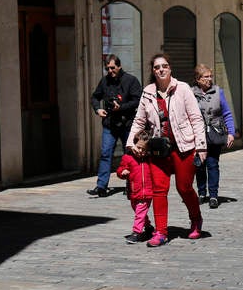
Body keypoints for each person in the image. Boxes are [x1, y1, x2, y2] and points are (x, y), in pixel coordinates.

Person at [127, 53, 207, 247]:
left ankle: (196, 219)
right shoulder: (148, 92)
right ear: (153, 72)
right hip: (158, 150)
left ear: (170, 68)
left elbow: (196, 118)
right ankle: (161, 232)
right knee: (158, 191)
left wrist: (201, 146)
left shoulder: (183, 89)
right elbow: (139, 120)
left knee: (184, 187)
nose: (161, 69)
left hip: (184, 147)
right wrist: (130, 143)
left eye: (164, 66)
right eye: (156, 67)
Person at [88, 54, 142, 197]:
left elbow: (138, 101)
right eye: (107, 69)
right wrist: (97, 109)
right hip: (110, 124)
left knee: (129, 155)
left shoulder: (131, 81)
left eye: (112, 68)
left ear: (119, 66)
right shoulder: (104, 81)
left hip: (127, 124)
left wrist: (121, 107)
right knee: (105, 154)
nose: (110, 71)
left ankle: (130, 185)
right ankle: (101, 187)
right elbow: (95, 96)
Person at [193, 64, 236, 209]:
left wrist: (231, 133)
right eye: (206, 77)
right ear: (198, 79)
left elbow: (227, 113)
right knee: (199, 165)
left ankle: (213, 195)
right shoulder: (190, 93)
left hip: (215, 134)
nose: (209, 79)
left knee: (212, 164)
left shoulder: (218, 92)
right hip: (197, 135)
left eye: (210, 76)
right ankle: (201, 192)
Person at [116, 130, 155, 244]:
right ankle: (148, 227)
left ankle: (136, 232)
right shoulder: (128, 157)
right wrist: (122, 172)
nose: (141, 151)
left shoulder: (150, 159)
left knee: (140, 211)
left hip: (147, 191)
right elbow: (120, 169)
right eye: (139, 148)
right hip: (133, 191)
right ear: (134, 145)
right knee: (138, 211)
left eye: (144, 149)